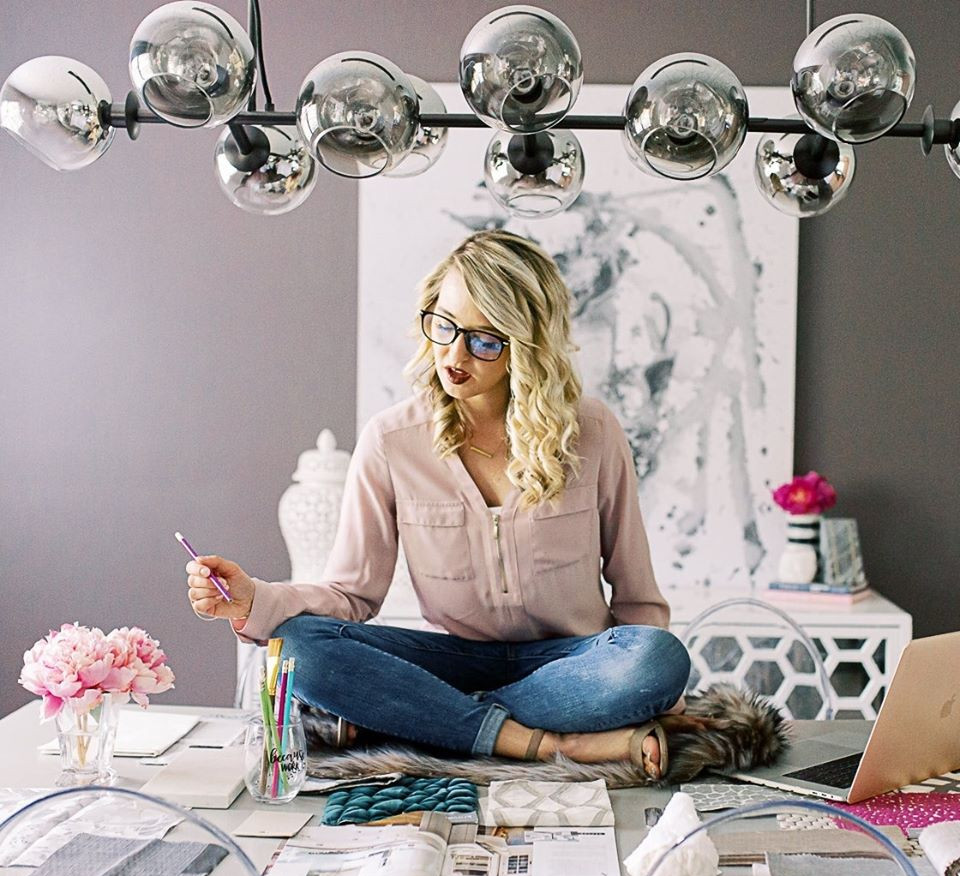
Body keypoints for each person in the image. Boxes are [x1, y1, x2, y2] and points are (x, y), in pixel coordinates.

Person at [184, 229, 704, 780]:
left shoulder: (593, 431)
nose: (454, 355)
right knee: (296, 647)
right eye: (445, 325)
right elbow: (351, 594)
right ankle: (543, 742)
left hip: (572, 663)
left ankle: (426, 720)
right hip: (448, 661)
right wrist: (252, 599)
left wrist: (653, 689)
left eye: (484, 340)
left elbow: (638, 597)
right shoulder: (391, 441)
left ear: (527, 347)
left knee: (657, 659)